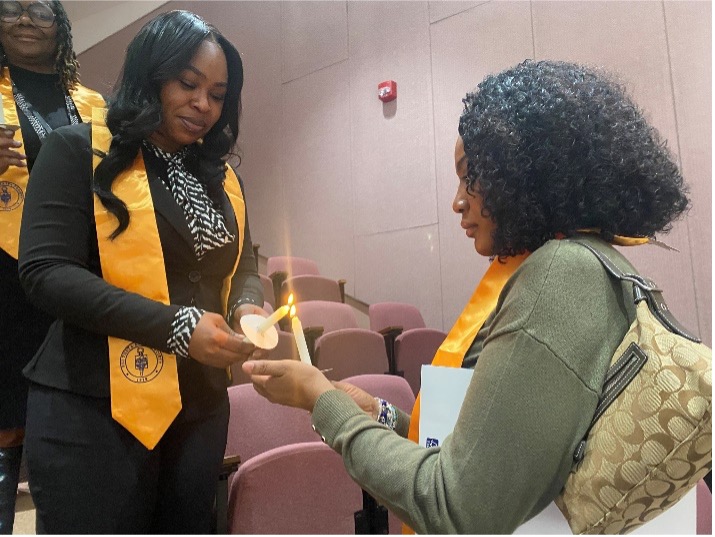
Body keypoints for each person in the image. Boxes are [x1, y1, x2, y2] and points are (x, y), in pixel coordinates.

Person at [242, 59, 691, 533]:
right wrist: (380, 414)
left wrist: (320, 400)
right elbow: (493, 453)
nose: (458, 200)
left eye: (470, 176)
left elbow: (458, 507)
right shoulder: (587, 265)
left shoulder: (561, 276)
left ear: (525, 172)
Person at [18, 10, 266, 533]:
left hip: (197, 408)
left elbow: (242, 260)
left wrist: (246, 304)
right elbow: (45, 273)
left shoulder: (220, 177)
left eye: (218, 94)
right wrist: (176, 328)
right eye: (188, 83)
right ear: (150, 75)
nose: (203, 105)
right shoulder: (77, 149)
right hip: (94, 409)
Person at [0, 1, 104, 533]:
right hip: (2, 275)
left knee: (62, 409)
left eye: (38, 8)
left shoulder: (90, 103)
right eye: (10, 8)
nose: (23, 18)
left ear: (60, 25)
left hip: (72, 271)